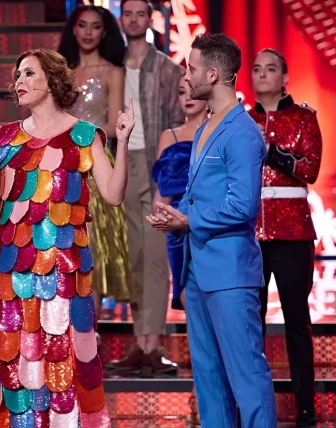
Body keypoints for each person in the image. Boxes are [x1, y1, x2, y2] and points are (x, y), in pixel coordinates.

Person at [0, 48, 133, 426]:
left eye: (28, 74)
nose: (19, 82)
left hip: (64, 270)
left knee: (63, 360)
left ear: (52, 80)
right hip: (11, 271)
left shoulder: (85, 135)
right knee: (14, 363)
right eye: (17, 76)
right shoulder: (7, 137)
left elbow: (113, 194)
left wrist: (121, 142)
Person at [147, 33, 278, 427]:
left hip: (231, 274)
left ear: (215, 74)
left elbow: (243, 206)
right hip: (199, 270)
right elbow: (198, 195)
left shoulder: (242, 131)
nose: (187, 76)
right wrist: (172, 215)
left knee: (247, 375)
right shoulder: (205, 128)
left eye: (191, 67)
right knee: (208, 379)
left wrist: (187, 220)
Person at [106, 0, 184, 376]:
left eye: (141, 13)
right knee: (133, 257)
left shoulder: (168, 70)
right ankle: (140, 343)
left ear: (150, 19)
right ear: (121, 19)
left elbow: (176, 125)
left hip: (155, 168)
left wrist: (168, 178)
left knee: (155, 258)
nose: (134, 19)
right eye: (128, 13)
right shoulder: (112, 66)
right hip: (120, 166)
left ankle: (153, 343)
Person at [250, 48, 322, 428]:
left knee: (297, 321)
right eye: (257, 69)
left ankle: (306, 407)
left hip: (293, 235)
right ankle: (254, 408)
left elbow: (310, 169)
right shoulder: (241, 121)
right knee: (251, 323)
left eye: (270, 68)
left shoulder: (305, 118)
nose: (262, 74)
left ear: (284, 77)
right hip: (250, 237)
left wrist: (274, 154)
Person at [57, 4, 132, 319]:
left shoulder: (114, 72)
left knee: (95, 247)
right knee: (61, 243)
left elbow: (114, 125)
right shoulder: (60, 72)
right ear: (73, 29)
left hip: (96, 162)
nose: (88, 32)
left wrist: (82, 134)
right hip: (60, 163)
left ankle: (91, 329)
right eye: (82, 25)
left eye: (95, 26)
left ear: (104, 32)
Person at [151, 74, 208, 424]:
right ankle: (202, 397)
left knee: (215, 319)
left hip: (211, 228)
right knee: (194, 317)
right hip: (177, 234)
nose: (186, 97)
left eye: (191, 91)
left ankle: (208, 401)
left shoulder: (218, 133)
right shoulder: (168, 137)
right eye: (181, 92)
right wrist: (159, 217)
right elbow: (161, 194)